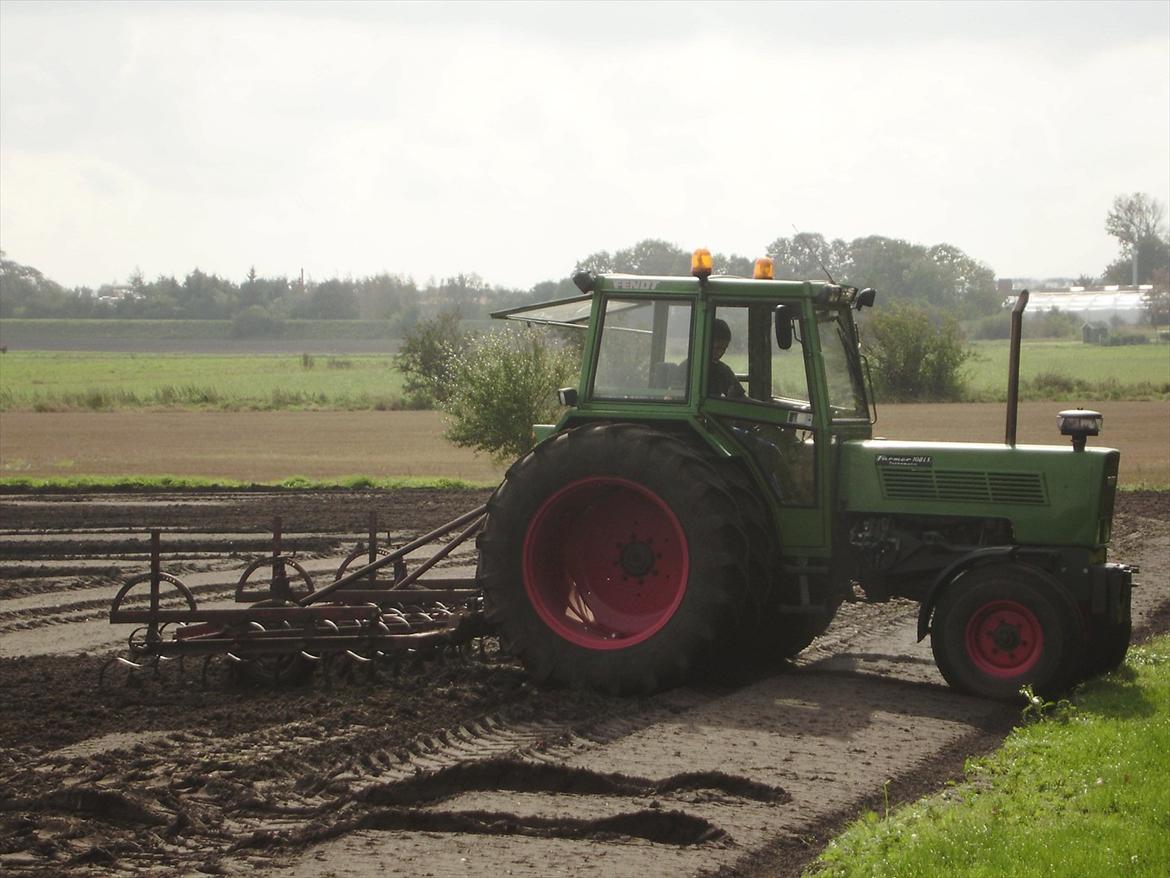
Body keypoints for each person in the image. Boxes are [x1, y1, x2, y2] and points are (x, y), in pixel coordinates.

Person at [708, 318, 746, 399]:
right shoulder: (685, 370)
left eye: (724, 349)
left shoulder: (722, 370)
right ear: (706, 343)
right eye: (717, 348)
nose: (720, 353)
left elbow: (741, 399)